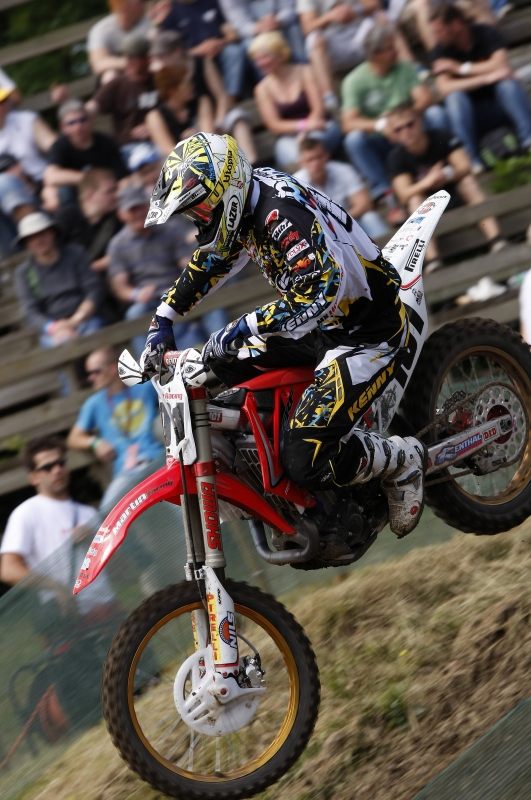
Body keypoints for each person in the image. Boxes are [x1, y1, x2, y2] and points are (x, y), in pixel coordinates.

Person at [140, 131, 428, 545]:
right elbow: (214, 259)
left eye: (201, 209)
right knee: (216, 364)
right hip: (319, 329)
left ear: (227, 191)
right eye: (192, 214)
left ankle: (402, 459)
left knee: (306, 456)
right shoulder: (248, 201)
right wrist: (162, 319)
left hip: (365, 332)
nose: (199, 221)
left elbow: (321, 291)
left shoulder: (280, 213)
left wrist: (242, 327)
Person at [0, 436, 115, 619]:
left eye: (61, 463)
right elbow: (8, 569)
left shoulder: (88, 513)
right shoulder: (25, 513)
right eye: (47, 467)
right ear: (34, 477)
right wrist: (54, 586)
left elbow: (122, 570)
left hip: (109, 608)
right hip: (68, 618)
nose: (57, 470)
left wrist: (93, 543)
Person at [386, 102, 507, 273]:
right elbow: (404, 194)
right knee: (415, 201)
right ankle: (433, 260)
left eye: (409, 124)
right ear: (393, 134)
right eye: (398, 129)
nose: (406, 131)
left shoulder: (441, 136)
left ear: (420, 121)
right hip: (428, 209)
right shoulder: (396, 157)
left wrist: (446, 175)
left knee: (467, 182)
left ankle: (496, 238)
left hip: (455, 195)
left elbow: (465, 166)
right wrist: (428, 181)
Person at [108, 184, 226, 353]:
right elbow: (119, 286)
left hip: (176, 287)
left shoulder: (171, 229)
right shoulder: (117, 245)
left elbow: (187, 264)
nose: (138, 213)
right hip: (147, 298)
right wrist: (137, 294)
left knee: (207, 296)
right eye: (132, 210)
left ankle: (221, 347)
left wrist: (179, 286)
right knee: (134, 315)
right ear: (121, 214)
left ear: (148, 206)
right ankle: (147, 363)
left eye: (140, 207)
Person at [342, 21, 448, 201]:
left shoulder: (405, 68)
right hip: (382, 139)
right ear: (375, 54)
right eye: (390, 48)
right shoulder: (354, 81)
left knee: (435, 113)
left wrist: (403, 120)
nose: (396, 51)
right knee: (354, 140)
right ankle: (384, 190)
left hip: (413, 131)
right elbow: (348, 123)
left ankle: (444, 164)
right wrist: (381, 125)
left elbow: (425, 98)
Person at [429, 3, 531, 172]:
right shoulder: (439, 51)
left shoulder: (485, 33)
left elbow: (501, 65)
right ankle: (470, 162)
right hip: (470, 115)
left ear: (456, 24)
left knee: (508, 84)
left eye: (440, 31)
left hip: (499, 105)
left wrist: (460, 68)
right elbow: (445, 88)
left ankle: (528, 140)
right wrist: (486, 78)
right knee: (455, 98)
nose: (436, 36)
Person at [67, 346, 163, 505]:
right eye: (88, 373)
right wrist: (95, 442)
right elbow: (73, 438)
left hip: (157, 461)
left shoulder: (144, 387)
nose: (91, 378)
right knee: (108, 512)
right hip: (126, 473)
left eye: (95, 372)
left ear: (113, 369)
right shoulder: (94, 404)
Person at [249, 31, 342, 169]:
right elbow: (274, 124)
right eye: (257, 59)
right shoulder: (262, 89)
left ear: (280, 55)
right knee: (295, 155)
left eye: (264, 57)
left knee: (313, 147)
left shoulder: (305, 71)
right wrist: (303, 126)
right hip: (290, 137)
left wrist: (306, 133)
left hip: (320, 125)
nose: (260, 63)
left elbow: (318, 108)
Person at [14, 212, 103, 349]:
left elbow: (93, 291)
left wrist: (74, 321)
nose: (39, 240)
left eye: (42, 234)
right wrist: (54, 328)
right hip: (52, 331)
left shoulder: (76, 254)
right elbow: (30, 311)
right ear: (26, 243)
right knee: (62, 346)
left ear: (52, 233)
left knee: (96, 345)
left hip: (86, 319)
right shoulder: (23, 273)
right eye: (32, 238)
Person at [147, 65, 257, 163]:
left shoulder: (201, 101)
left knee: (236, 117)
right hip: (182, 162)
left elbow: (209, 134)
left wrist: (196, 134)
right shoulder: (155, 116)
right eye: (187, 84)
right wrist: (190, 144)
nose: (192, 86)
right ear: (172, 92)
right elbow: (168, 149)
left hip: (208, 150)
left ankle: (251, 166)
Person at [294, 135, 388, 239]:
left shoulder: (344, 170)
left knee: (370, 217)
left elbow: (365, 204)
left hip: (350, 221)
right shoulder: (295, 185)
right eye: (310, 160)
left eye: (319, 157)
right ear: (301, 163)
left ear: (327, 156)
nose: (316, 163)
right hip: (323, 234)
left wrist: (338, 221)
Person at [155, 0, 249, 103]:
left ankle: (231, 99)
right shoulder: (169, 11)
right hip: (192, 60)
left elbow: (232, 34)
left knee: (234, 52)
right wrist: (199, 50)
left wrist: (221, 43)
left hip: (220, 52)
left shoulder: (211, 2)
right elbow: (169, 51)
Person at [0, 87, 56, 254]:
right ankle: (16, 258)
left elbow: (57, 149)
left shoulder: (26, 120)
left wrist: (51, 183)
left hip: (41, 185)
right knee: (5, 183)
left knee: (6, 183)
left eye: (4, 100)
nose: (4, 105)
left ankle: (36, 240)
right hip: (6, 198)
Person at [44, 100, 128, 209]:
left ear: (90, 121)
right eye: (71, 123)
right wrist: (90, 179)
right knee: (61, 191)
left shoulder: (106, 142)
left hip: (107, 193)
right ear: (62, 127)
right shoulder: (60, 146)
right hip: (77, 196)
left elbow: (123, 177)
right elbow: (51, 176)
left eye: (82, 120)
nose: (78, 126)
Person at [297, 0, 381, 109]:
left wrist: (355, 10)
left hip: (359, 33)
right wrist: (329, 16)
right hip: (333, 42)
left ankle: (385, 77)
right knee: (313, 39)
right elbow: (307, 28)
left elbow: (374, 4)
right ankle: (329, 97)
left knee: (379, 20)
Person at [86, 35, 159, 151]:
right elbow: (92, 108)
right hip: (129, 146)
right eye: (126, 56)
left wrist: (154, 127)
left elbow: (174, 109)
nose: (128, 61)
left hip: (161, 140)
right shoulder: (117, 85)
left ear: (147, 58)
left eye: (133, 57)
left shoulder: (159, 80)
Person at [54, 168, 122, 275]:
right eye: (109, 192)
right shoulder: (67, 217)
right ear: (90, 196)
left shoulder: (117, 218)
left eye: (116, 190)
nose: (116, 195)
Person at [218, 0, 307, 64]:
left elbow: (290, 8)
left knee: (294, 30)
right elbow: (239, 25)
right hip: (254, 33)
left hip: (283, 23)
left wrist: (278, 21)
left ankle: (304, 67)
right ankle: (269, 81)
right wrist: (257, 28)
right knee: (251, 45)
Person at [87, 0, 151, 82]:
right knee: (110, 75)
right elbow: (98, 64)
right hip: (120, 78)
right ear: (125, 6)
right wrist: (132, 63)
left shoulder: (148, 23)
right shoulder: (101, 30)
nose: (143, 3)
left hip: (146, 71)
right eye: (139, 2)